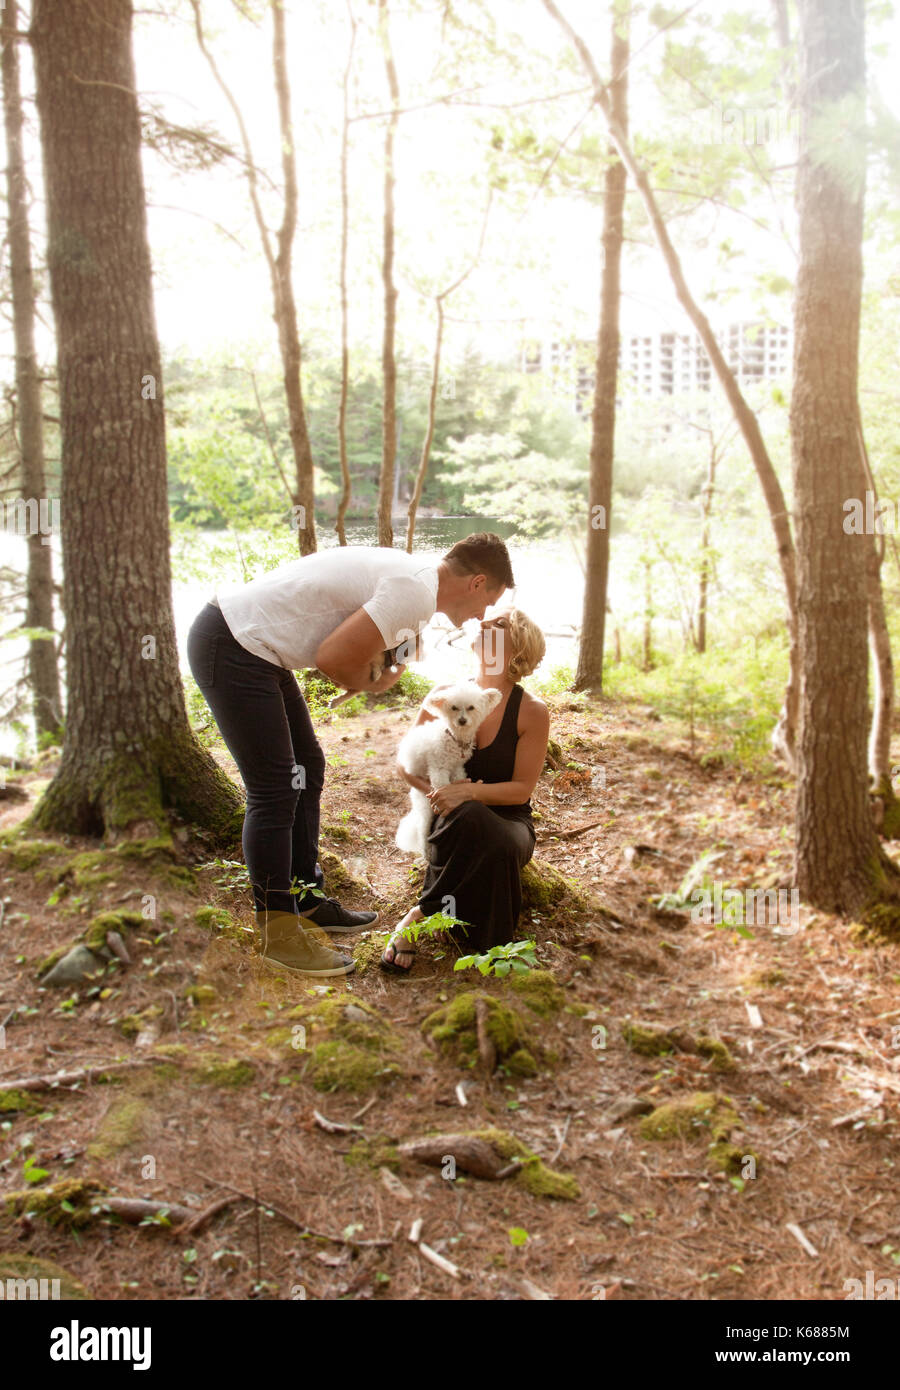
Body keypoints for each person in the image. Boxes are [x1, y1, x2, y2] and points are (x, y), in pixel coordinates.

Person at [186, 532, 515, 978]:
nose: (481, 616)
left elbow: (353, 642)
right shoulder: (415, 592)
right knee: (275, 790)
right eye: (487, 602)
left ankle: (303, 898)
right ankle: (278, 935)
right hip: (234, 644)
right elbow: (333, 658)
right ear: (476, 582)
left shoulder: (416, 582)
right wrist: (374, 681)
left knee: (307, 768)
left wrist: (388, 660)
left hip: (256, 648)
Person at [381, 605, 549, 975]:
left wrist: (470, 793)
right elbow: (406, 765)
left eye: (500, 623)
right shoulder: (445, 695)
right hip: (448, 819)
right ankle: (458, 918)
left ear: (516, 650)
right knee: (467, 818)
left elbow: (521, 791)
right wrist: (439, 796)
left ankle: (420, 914)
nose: (484, 620)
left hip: (509, 823)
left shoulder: (532, 711)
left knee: (488, 830)